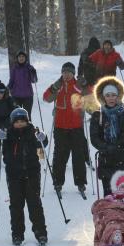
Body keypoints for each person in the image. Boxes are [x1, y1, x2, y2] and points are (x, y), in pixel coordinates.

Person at [0, 108, 48, 246]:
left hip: (31, 173)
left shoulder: (32, 133)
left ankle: (41, 233)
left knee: (34, 204)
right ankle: (17, 234)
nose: (19, 124)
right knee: (16, 205)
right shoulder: (8, 134)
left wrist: (43, 137)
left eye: (22, 121)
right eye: (17, 122)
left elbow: (42, 143)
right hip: (14, 174)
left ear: (27, 121)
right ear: (12, 123)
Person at [90, 76, 124, 197]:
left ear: (118, 95)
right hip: (107, 160)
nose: (111, 98)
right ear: (103, 97)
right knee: (109, 197)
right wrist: (106, 146)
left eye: (113, 95)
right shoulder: (98, 116)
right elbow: (94, 138)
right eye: (107, 95)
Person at [43, 62, 87, 197]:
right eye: (64, 72)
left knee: (78, 156)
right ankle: (58, 182)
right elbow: (46, 98)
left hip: (76, 127)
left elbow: (90, 95)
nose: (66, 75)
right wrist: (53, 88)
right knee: (60, 156)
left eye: (69, 72)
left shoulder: (78, 84)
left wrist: (85, 85)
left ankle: (80, 183)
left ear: (73, 73)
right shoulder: (58, 85)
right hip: (60, 127)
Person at [7, 51, 38, 119]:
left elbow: (34, 80)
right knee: (16, 116)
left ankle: (28, 129)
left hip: (28, 96)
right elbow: (11, 81)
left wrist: (33, 73)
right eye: (19, 57)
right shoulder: (14, 68)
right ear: (17, 58)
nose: (21, 58)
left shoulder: (29, 67)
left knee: (27, 116)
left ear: (25, 58)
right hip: (16, 96)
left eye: (23, 57)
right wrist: (7, 89)